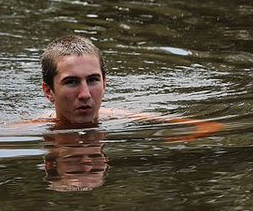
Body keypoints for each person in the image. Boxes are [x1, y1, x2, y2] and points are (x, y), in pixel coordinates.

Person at [39, 34, 224, 139]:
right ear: (49, 92)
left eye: (93, 80)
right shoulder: (35, 127)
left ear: (105, 84)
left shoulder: (118, 116)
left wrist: (185, 138)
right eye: (71, 82)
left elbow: (209, 126)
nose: (85, 94)